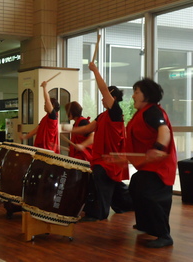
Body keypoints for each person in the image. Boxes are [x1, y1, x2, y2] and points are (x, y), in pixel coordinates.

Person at [71, 62, 132, 221]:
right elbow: (87, 129)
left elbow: (103, 89)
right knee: (115, 188)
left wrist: (95, 70)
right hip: (103, 159)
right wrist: (66, 129)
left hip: (109, 160)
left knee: (100, 182)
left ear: (114, 98)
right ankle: (128, 205)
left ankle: (97, 214)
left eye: (106, 97)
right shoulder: (103, 115)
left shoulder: (115, 112)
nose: (103, 99)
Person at [126, 78, 176, 248]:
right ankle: (146, 225)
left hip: (160, 164)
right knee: (135, 186)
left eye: (136, 92)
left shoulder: (153, 112)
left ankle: (164, 235)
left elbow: (164, 131)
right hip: (149, 164)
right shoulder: (142, 112)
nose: (133, 96)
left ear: (146, 96)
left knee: (149, 194)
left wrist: (158, 147)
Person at [20, 81, 60, 154]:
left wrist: (44, 87)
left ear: (52, 106)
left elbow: (47, 100)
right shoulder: (45, 118)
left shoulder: (53, 116)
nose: (45, 105)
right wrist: (25, 137)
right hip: (41, 148)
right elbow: (36, 130)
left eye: (45, 104)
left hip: (48, 149)